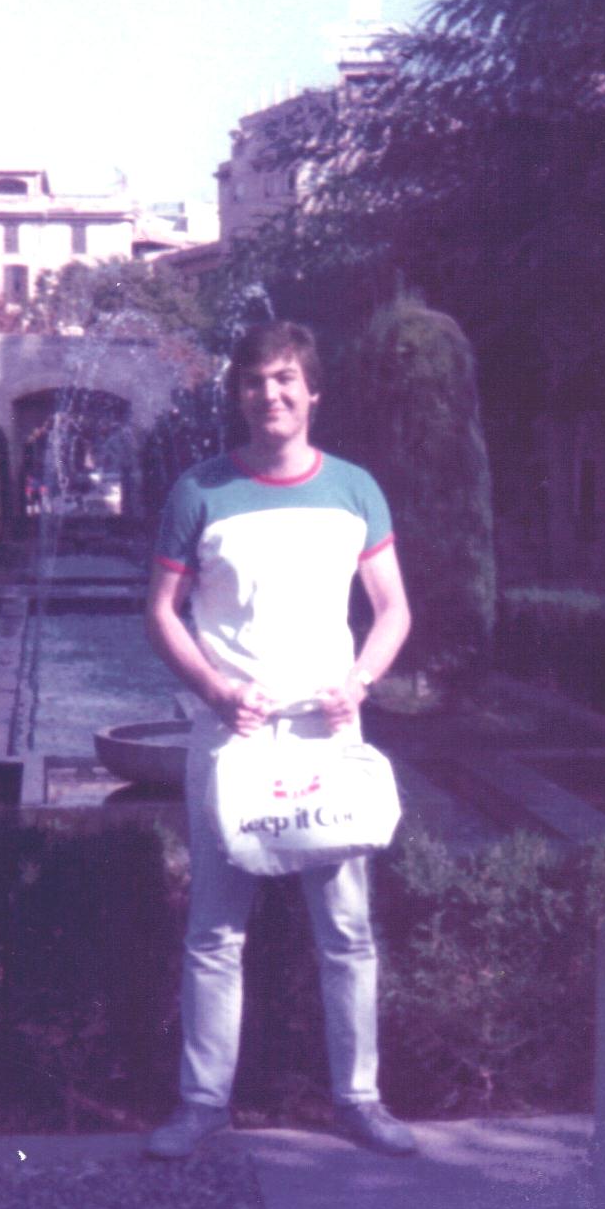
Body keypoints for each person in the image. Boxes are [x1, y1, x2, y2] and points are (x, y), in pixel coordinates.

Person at [144, 319, 415, 1159]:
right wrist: (216, 691)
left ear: (312, 391)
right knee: (215, 932)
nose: (271, 393)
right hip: (233, 740)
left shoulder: (355, 491)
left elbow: (393, 609)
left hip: (326, 738)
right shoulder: (199, 491)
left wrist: (359, 681)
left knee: (346, 932)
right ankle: (201, 1104)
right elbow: (160, 613)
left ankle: (359, 1100)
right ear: (238, 394)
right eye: (256, 380)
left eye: (286, 378)